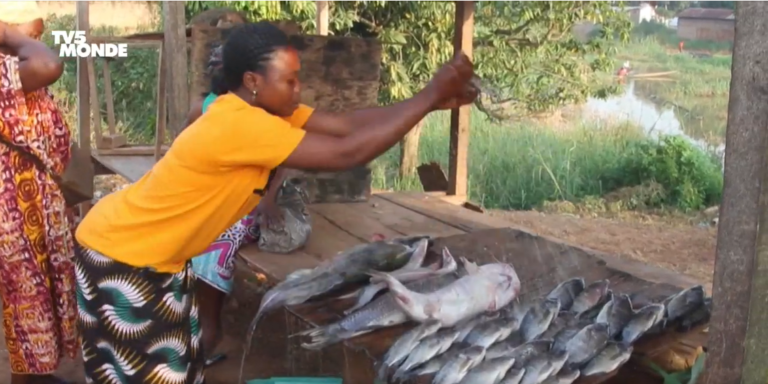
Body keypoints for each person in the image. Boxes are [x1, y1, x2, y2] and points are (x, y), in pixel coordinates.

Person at [73, 21, 477, 384]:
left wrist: (429, 103)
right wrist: (425, 97)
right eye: (290, 81)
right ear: (252, 80)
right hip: (122, 256)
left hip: (158, 255)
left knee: (179, 367)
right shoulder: (240, 124)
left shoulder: (264, 110)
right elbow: (346, 154)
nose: (298, 90)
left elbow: (347, 127)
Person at [0, 17, 79, 384]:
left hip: (37, 203)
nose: (34, 38)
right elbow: (50, 64)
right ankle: (25, 377)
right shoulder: (10, 74)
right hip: (13, 209)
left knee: (40, 295)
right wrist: (7, 32)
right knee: (24, 302)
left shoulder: (16, 73)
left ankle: (36, 374)